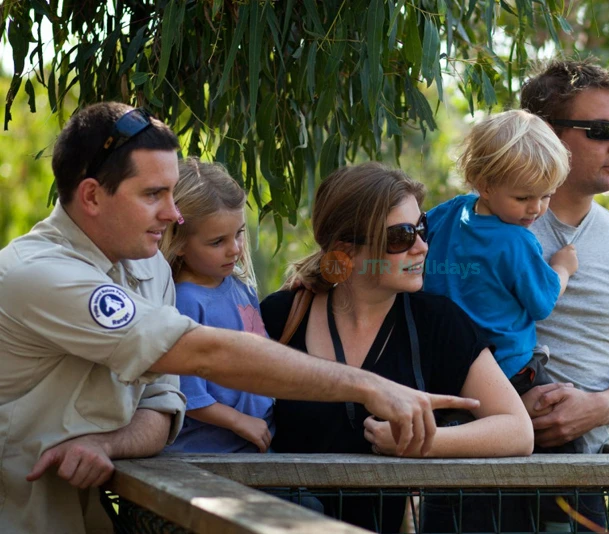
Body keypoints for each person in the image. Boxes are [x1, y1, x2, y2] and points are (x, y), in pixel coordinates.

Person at [0, 103, 478, 534]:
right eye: (153, 194)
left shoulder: (146, 268)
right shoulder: (42, 275)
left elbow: (163, 403)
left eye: (172, 193)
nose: (173, 214)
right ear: (91, 196)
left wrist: (109, 443)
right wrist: (369, 386)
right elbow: (202, 353)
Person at [259, 162, 533, 532]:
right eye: (401, 236)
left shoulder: (435, 322)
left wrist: (421, 441)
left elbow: (518, 430)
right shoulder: (282, 316)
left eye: (422, 228)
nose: (421, 246)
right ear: (345, 249)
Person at [520, 58, 609, 530]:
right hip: (472, 476)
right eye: (602, 130)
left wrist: (594, 409)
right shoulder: (484, 226)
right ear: (548, 134)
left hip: (583, 478)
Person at [422, 110, 584, 449]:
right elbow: (542, 303)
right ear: (484, 185)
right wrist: (563, 268)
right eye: (523, 198)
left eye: (546, 195)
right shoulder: (516, 242)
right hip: (510, 371)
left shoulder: (449, 213)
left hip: (448, 370)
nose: (536, 209)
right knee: (568, 441)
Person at [158, 158, 275, 453]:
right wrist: (239, 421)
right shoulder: (184, 302)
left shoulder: (241, 287)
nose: (234, 249)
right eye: (217, 242)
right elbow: (186, 392)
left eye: (239, 233)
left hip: (256, 445)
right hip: (209, 455)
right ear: (179, 242)